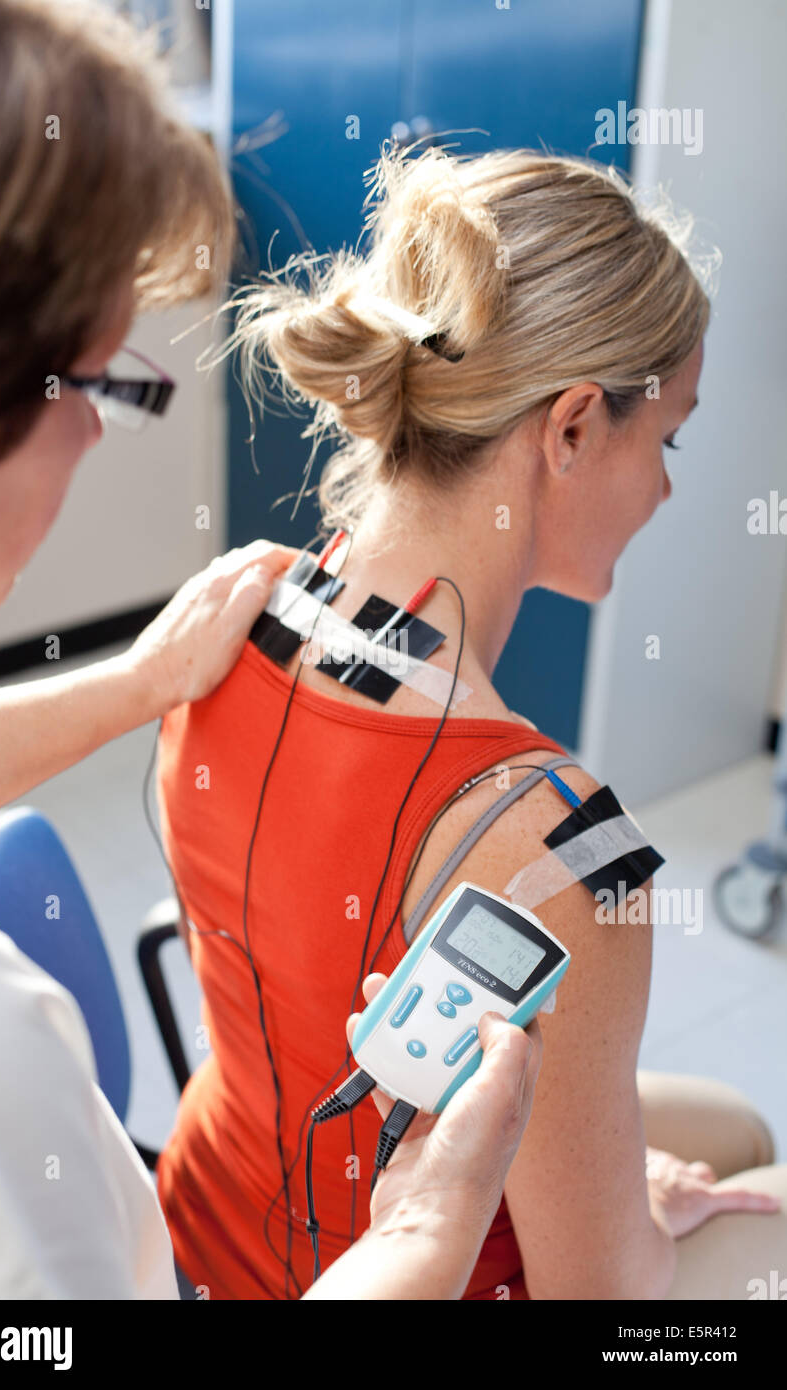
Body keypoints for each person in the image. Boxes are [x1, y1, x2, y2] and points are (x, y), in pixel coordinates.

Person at [0, 0, 543, 1300]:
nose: (101, 439)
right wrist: (424, 1239)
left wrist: (139, 683)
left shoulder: (200, 698)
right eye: (94, 388)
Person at [156, 142, 787, 1300]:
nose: (665, 490)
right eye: (669, 440)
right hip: (393, 1269)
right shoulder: (561, 849)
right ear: (571, 428)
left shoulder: (219, 623)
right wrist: (633, 1216)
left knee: (736, 1121)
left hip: (203, 1216)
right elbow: (603, 1299)